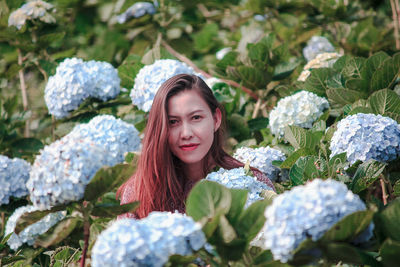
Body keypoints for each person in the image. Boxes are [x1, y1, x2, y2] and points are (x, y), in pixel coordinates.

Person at [117, 74, 274, 219]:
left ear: (216, 119)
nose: (186, 133)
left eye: (196, 118)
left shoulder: (253, 182)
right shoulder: (139, 191)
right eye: (173, 122)